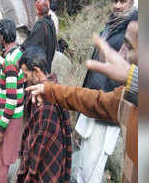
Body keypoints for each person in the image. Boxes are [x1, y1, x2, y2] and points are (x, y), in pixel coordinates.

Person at [26, 16, 138, 183]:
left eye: (129, 46)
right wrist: (49, 89)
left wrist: (134, 77)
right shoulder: (127, 98)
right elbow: (90, 100)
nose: (120, 53)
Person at [73, 0, 136, 183]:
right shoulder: (112, 25)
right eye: (115, 1)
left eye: (122, 1)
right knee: (84, 158)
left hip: (107, 107)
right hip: (94, 100)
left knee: (93, 164)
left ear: (132, 3)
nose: (117, 5)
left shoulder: (132, 30)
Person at [17, 46, 72, 183]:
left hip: (45, 170)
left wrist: (27, 175)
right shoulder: (53, 88)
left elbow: (37, 149)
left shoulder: (46, 104)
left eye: (26, 75)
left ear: (36, 71)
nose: (24, 79)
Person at [0, 19, 25, 183]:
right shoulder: (19, 53)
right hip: (17, 115)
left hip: (8, 117)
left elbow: (11, 100)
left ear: (2, 37)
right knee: (5, 160)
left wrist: (1, 128)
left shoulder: (10, 62)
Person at [21, 0, 57, 74]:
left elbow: (30, 44)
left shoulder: (40, 25)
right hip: (48, 66)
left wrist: (20, 49)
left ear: (37, 10)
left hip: (39, 71)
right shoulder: (51, 23)